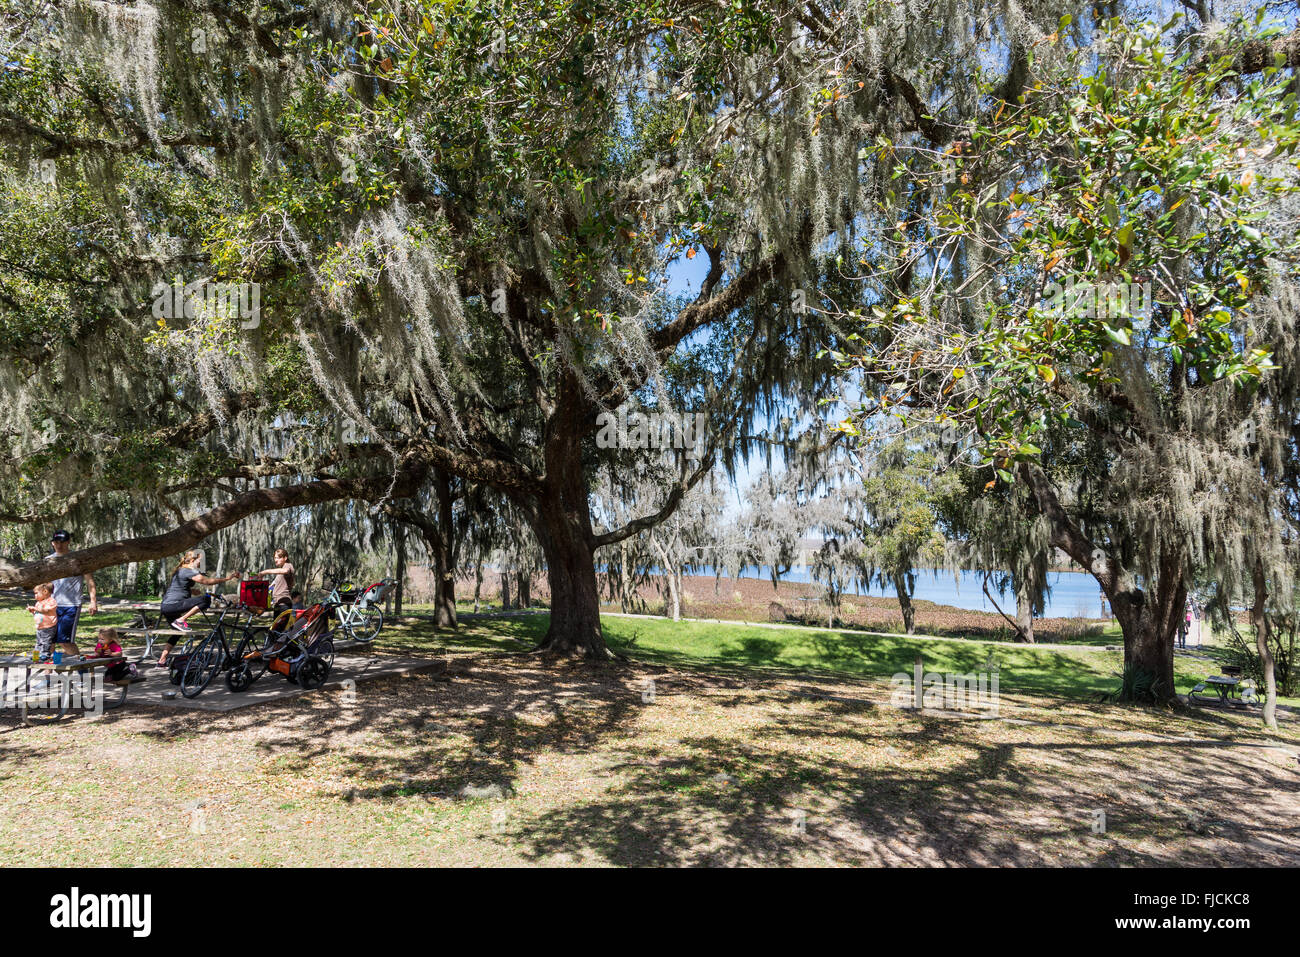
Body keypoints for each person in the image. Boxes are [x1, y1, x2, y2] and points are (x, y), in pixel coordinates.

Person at [156, 551, 239, 668]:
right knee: (206, 600)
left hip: (166, 606)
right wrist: (227, 578)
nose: (201, 563)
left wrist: (191, 591)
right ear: (192, 560)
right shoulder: (187, 570)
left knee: (177, 632)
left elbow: (178, 588)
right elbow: (207, 582)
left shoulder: (180, 570)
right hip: (174, 605)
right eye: (199, 560)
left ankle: (161, 660)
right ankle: (181, 619)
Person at [48, 529, 96, 657]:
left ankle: (83, 672)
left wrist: (93, 602)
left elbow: (89, 580)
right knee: (49, 642)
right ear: (52, 543)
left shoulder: (78, 559)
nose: (59, 545)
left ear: (68, 542)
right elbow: (44, 584)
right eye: (56, 542)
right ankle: (50, 675)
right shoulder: (48, 561)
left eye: (62, 542)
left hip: (71, 605)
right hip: (51, 605)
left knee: (65, 642)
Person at [257, 549, 296, 616]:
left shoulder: (288, 565)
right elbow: (271, 587)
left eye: (278, 558)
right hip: (277, 604)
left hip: (284, 604)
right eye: (275, 558)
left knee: (283, 626)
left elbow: (285, 571)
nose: (276, 560)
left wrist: (265, 572)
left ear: (285, 558)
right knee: (276, 626)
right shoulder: (280, 573)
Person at [26, 582, 56, 661]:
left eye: (36, 593)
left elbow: (46, 610)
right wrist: (33, 611)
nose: (35, 596)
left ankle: (45, 654)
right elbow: (38, 614)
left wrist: (35, 609)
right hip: (40, 626)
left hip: (48, 626)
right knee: (38, 642)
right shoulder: (38, 603)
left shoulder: (51, 601)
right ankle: (36, 656)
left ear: (45, 592)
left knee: (46, 641)